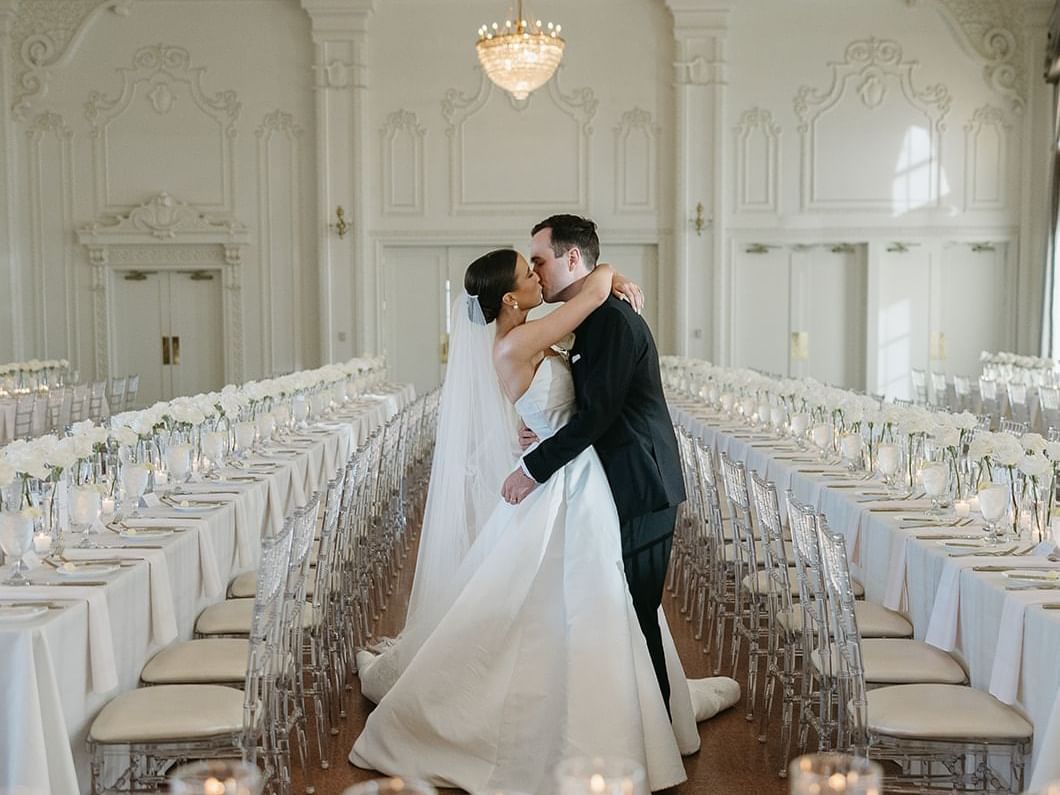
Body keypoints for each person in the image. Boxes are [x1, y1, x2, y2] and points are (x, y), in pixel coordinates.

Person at [351, 247, 739, 793]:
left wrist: (536, 431)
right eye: (526, 272)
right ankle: (571, 720)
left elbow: (555, 400)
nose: (536, 275)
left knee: (581, 598)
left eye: (538, 264)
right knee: (569, 597)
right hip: (564, 478)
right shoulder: (517, 340)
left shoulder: (523, 335)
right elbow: (594, 292)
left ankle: (604, 706)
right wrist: (607, 272)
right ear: (510, 297)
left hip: (576, 472)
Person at [501, 214, 687, 708]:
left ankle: (657, 731)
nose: (536, 272)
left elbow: (600, 416)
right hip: (615, 478)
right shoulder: (592, 313)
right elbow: (587, 403)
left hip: (641, 482)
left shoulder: (611, 319)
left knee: (637, 609)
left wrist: (532, 468)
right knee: (616, 607)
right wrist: (542, 427)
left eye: (540, 260)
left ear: (573, 258)